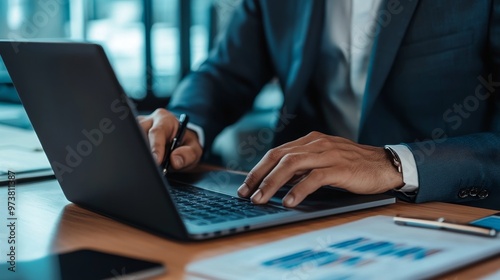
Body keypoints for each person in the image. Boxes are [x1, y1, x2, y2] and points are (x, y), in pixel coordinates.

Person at [138, 0, 500, 210]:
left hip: (445, 208)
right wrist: (185, 125)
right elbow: (225, 73)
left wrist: (393, 163)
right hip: (299, 203)